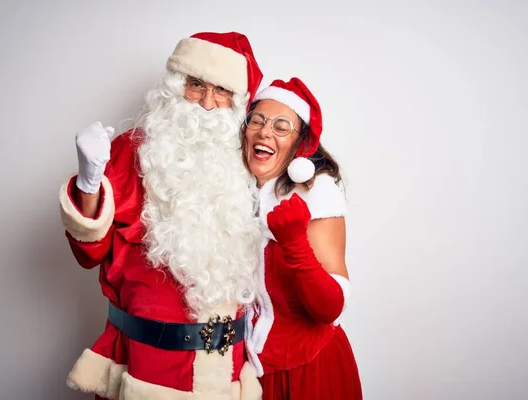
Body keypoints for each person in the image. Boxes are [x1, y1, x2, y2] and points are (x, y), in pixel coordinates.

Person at [59, 31, 265, 399]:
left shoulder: (247, 164)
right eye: (196, 85)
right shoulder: (132, 151)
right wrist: (89, 182)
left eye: (222, 91)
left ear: (237, 102)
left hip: (229, 370)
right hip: (147, 365)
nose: (206, 103)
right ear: (175, 86)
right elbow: (87, 254)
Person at [242, 78, 363, 399]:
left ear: (301, 144)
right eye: (257, 120)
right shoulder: (237, 189)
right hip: (249, 373)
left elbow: (331, 308)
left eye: (282, 127)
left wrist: (295, 243)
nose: (265, 132)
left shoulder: (317, 193)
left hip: (308, 371)